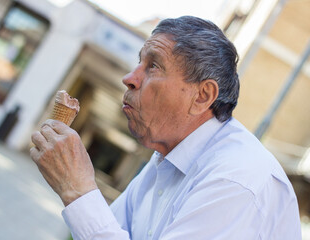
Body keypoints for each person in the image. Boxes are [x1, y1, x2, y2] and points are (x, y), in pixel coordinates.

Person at [30, 16, 301, 239]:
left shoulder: (236, 180)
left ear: (202, 96)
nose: (130, 78)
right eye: (140, 62)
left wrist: (78, 189)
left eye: (154, 66)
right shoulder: (167, 156)